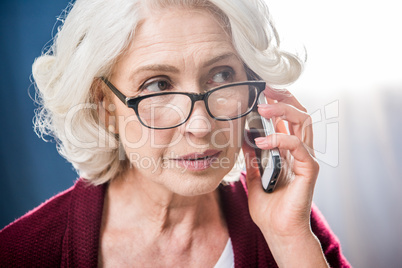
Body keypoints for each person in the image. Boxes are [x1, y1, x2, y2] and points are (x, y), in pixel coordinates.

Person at [0, 0, 351, 267]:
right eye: (158, 85)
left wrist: (290, 241)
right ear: (104, 105)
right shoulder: (20, 252)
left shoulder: (291, 224)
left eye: (222, 75)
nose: (200, 126)